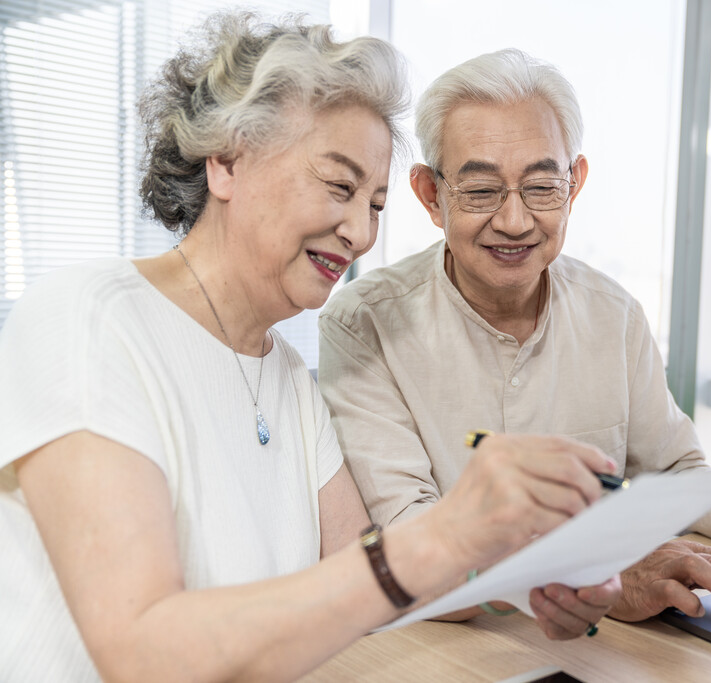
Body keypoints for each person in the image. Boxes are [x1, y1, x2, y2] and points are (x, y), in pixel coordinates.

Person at [0, 19, 622, 681]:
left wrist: (531, 574)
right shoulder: (90, 319)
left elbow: (372, 571)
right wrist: (447, 534)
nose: (359, 232)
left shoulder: (287, 375)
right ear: (227, 160)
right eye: (338, 186)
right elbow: (142, 650)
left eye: (376, 202)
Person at [317, 48, 711, 625]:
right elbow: (405, 538)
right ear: (430, 196)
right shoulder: (364, 325)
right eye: (480, 191)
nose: (516, 221)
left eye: (541, 186)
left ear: (574, 185)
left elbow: (672, 473)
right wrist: (604, 575)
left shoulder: (613, 314)